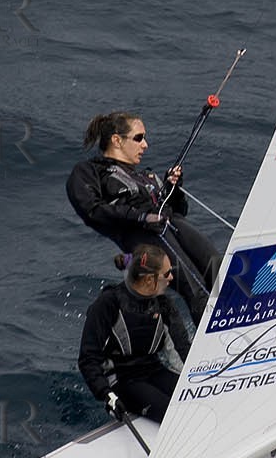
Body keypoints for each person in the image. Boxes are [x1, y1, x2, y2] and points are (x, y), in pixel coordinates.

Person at [66, 110, 220, 320]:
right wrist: (141, 217)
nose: (145, 145)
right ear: (117, 140)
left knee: (218, 270)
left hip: (172, 226)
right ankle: (217, 334)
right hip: (143, 237)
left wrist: (173, 189)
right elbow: (92, 211)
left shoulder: (145, 175)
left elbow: (178, 211)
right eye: (138, 138)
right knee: (195, 289)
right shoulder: (90, 171)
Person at [78, 245, 191, 424]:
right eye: (167, 273)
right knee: (174, 416)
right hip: (122, 380)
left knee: (195, 400)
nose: (171, 277)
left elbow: (182, 347)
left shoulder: (163, 304)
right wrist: (106, 394)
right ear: (149, 280)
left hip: (154, 370)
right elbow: (88, 358)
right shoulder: (108, 303)